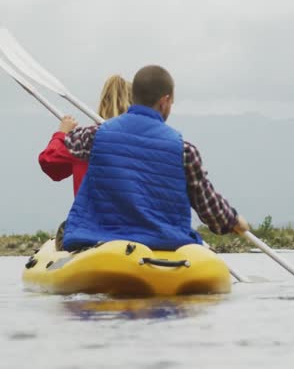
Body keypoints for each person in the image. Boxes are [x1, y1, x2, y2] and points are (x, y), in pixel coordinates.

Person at [60, 65, 249, 252]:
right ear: (164, 101)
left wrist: (64, 132)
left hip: (99, 240)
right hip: (164, 244)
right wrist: (233, 220)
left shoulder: (96, 135)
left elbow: (67, 144)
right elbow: (211, 211)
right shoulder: (184, 151)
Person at [37, 75, 131, 195]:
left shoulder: (84, 139)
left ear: (103, 104)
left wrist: (62, 134)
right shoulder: (143, 142)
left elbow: (50, 164)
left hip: (91, 213)